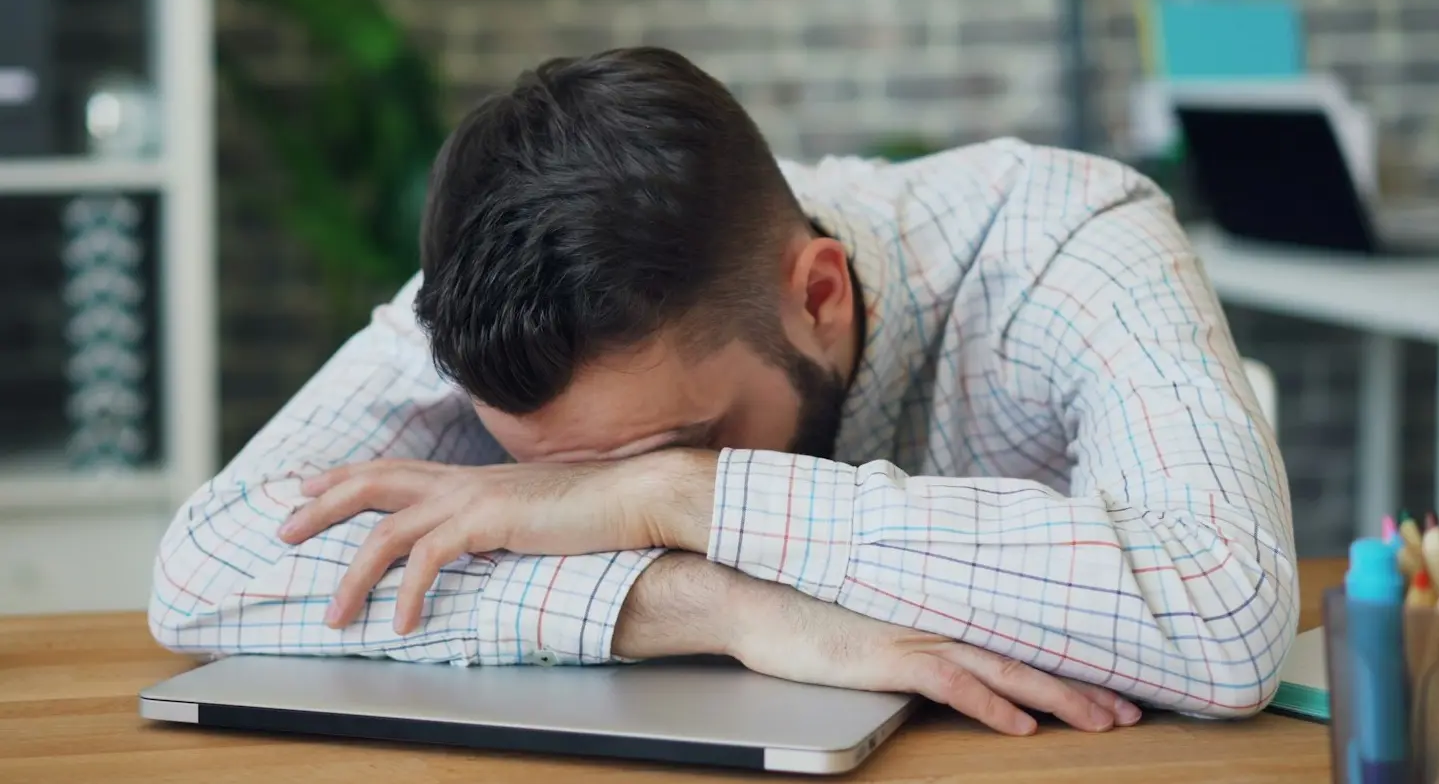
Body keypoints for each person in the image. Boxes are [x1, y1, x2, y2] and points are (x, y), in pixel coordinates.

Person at [150, 47, 1298, 736]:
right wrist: (711, 604)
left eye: (664, 443)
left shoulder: (1067, 235)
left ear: (818, 292)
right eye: (558, 471)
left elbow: (1224, 609)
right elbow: (204, 570)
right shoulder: (496, 296)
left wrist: (678, 497)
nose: (582, 499)